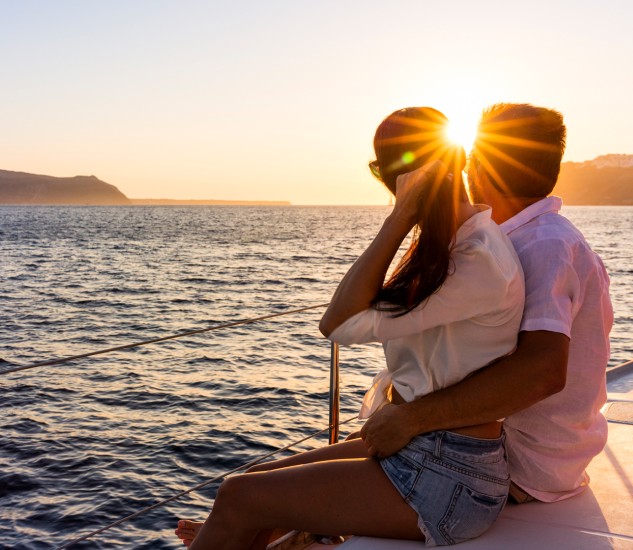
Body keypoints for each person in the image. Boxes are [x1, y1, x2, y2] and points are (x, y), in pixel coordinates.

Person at [175, 106, 526, 549]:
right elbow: (346, 319)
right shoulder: (454, 243)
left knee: (238, 497)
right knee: (254, 482)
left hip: (452, 477)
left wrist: (400, 216)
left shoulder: (475, 259)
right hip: (427, 450)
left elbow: (336, 323)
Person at [359, 104, 613, 504]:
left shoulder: (544, 245)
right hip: (505, 450)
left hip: (516, 464)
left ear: (479, 166)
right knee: (277, 485)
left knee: (265, 498)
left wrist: (412, 418)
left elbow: (543, 372)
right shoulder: (527, 238)